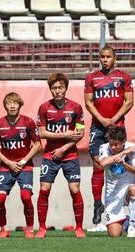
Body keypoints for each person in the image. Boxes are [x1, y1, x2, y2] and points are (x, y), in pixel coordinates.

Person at [84, 45, 134, 231]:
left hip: (117, 127)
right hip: (98, 126)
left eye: (108, 57)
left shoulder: (123, 77)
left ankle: (121, 209)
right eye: (102, 57)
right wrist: (103, 120)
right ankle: (98, 205)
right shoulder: (92, 77)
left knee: (119, 166)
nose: (105, 60)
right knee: (98, 164)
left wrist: (113, 119)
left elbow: (129, 101)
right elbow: (88, 102)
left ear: (114, 58)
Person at [35, 72, 86, 238]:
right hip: (50, 156)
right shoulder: (44, 108)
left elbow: (80, 133)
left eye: (60, 87)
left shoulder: (76, 108)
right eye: (54, 88)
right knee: (44, 189)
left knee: (75, 189)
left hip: (70, 155)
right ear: (50, 90)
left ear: (65, 88)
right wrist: (65, 135)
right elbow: (42, 133)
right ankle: (42, 228)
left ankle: (79, 228)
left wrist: (63, 148)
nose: (57, 91)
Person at [0, 92, 41, 239]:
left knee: (25, 197)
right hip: (7, 167)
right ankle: (3, 229)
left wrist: (24, 161)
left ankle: (30, 229)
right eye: (8, 103)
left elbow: (38, 144)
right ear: (5, 106)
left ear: (20, 105)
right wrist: (9, 162)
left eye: (15, 103)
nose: (12, 106)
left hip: (25, 167)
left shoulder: (28, 122)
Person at [98, 127, 135, 238]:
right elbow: (103, 163)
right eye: (111, 144)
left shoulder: (131, 147)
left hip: (128, 189)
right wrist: (122, 154)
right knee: (114, 234)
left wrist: (124, 164)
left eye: (116, 144)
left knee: (134, 189)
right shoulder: (104, 147)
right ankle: (126, 221)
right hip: (112, 194)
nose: (113, 147)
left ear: (123, 142)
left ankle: (132, 227)